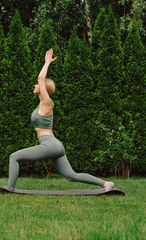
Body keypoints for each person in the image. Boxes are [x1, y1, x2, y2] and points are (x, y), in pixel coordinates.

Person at [7, 48, 114, 192]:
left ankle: (10, 189)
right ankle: (106, 184)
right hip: (54, 145)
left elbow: (40, 79)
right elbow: (40, 82)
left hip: (50, 145)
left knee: (14, 157)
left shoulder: (47, 103)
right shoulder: (41, 104)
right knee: (71, 176)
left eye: (38, 85)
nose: (35, 85)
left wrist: (47, 63)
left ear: (44, 88)